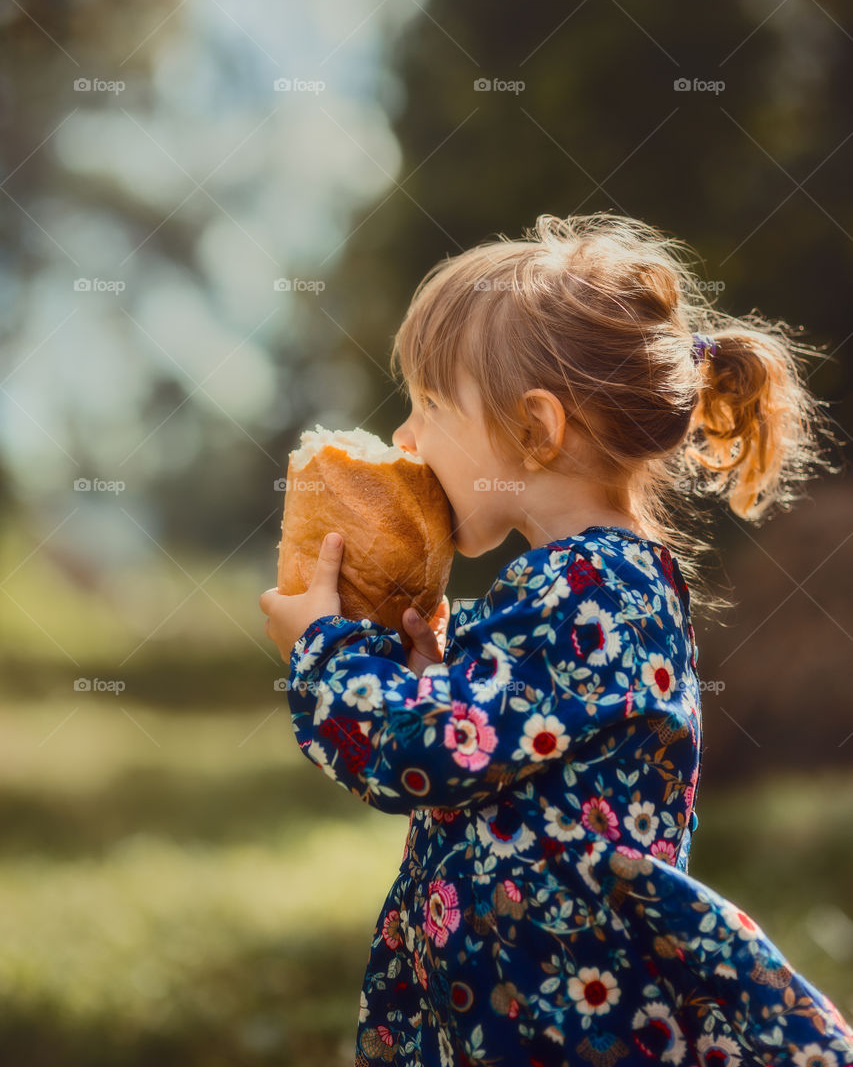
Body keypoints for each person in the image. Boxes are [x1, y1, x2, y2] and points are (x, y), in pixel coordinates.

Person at [260, 212, 853, 1066]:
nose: (405, 437)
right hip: (524, 1010)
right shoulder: (584, 583)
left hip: (563, 1026)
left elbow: (420, 751)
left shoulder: (591, 588)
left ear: (535, 431)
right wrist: (430, 668)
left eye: (430, 403)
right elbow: (495, 745)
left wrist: (321, 647)